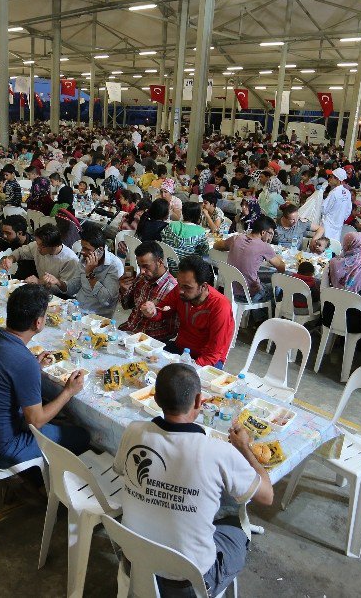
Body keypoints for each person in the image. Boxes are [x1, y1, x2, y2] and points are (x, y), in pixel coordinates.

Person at [112, 363, 273, 598]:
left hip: (134, 566)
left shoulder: (133, 431)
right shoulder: (218, 451)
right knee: (238, 525)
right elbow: (267, 496)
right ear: (199, 401)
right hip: (188, 586)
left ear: (155, 399)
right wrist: (245, 448)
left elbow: (122, 471)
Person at [0, 284, 89, 468]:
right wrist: (68, 392)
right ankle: (41, 478)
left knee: (52, 419)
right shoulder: (24, 361)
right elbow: (35, 420)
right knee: (82, 436)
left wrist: (33, 365)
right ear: (38, 323)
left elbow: (3, 370)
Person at [139, 256, 235, 368]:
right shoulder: (180, 290)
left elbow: (213, 353)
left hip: (207, 360)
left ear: (203, 286)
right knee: (143, 361)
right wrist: (152, 312)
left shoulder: (220, 307)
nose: (180, 290)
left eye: (187, 287)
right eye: (179, 284)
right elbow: (163, 311)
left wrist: (190, 368)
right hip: (181, 350)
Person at [214, 216, 286, 313]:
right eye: (271, 234)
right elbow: (282, 268)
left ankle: (255, 317)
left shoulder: (237, 238)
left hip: (229, 290)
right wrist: (276, 256)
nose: (271, 238)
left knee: (260, 277)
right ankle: (265, 318)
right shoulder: (264, 247)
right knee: (279, 285)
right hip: (249, 295)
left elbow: (216, 245)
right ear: (263, 232)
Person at [0, 223, 82, 297]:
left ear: (54, 246)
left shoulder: (70, 260)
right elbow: (21, 252)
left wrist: (39, 282)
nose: (38, 248)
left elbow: (68, 290)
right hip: (41, 291)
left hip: (58, 297)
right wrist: (10, 259)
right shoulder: (38, 246)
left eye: (41, 246)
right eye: (37, 244)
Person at [119, 241, 179, 340]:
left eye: (146, 266)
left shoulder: (172, 289)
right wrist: (123, 289)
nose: (142, 271)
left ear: (159, 262)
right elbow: (126, 306)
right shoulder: (143, 278)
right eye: (139, 266)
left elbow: (171, 330)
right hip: (128, 331)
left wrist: (141, 339)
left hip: (148, 341)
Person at [76, 223, 125, 316]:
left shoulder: (114, 266)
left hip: (97, 316)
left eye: (86, 249)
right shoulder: (84, 259)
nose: (82, 251)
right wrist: (59, 283)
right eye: (82, 247)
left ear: (100, 250)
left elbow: (106, 300)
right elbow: (75, 285)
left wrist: (90, 274)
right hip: (78, 308)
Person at [320, 168, 352, 243]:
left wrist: (320, 199)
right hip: (339, 225)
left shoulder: (333, 193)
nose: (329, 179)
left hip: (328, 225)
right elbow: (348, 210)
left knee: (325, 246)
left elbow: (324, 210)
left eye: (331, 177)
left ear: (337, 179)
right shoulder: (347, 192)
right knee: (334, 245)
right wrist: (340, 219)